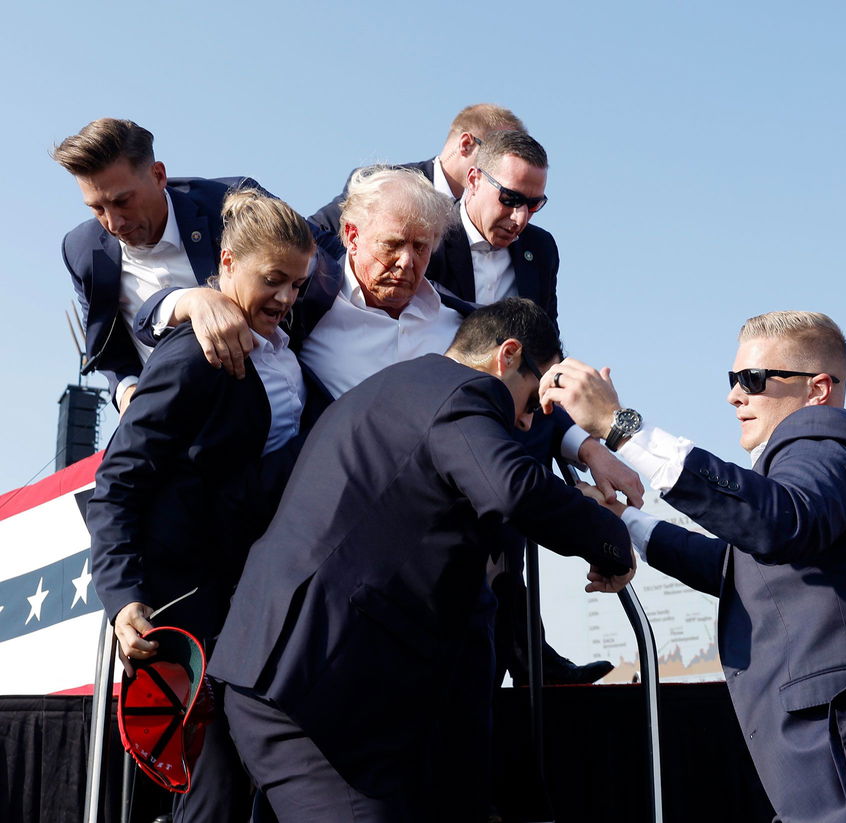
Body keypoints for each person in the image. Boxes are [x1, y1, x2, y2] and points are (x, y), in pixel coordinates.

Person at [147, 164, 630, 684]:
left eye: (422, 248)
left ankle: (526, 653)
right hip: (324, 536)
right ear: (351, 235)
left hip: (434, 540)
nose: (407, 263)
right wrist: (190, 298)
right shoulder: (301, 302)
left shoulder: (461, 325)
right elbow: (196, 309)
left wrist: (586, 446)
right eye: (393, 245)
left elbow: (518, 390)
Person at [541, 312, 846, 822]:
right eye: (732, 380)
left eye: (752, 380)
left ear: (818, 388)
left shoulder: (826, 436)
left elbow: (781, 523)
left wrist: (623, 429)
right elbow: (742, 568)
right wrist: (629, 524)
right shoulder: (804, 473)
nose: (735, 396)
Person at [208, 298, 635, 822]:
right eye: (535, 397)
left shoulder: (400, 390)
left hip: (303, 676)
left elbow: (467, 497)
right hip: (316, 686)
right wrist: (610, 541)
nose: (528, 424)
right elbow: (513, 490)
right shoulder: (463, 395)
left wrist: (573, 501)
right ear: (508, 356)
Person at [87, 189, 321, 823]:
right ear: (225, 262)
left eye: (297, 285)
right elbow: (118, 481)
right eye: (273, 280)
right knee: (213, 789)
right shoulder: (195, 354)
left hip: (249, 598)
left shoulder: (283, 349)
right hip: (189, 604)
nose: (286, 299)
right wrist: (123, 595)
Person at [53, 117, 338, 411]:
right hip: (174, 423)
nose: (114, 223)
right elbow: (108, 349)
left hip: (272, 403)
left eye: (123, 201)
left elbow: (315, 247)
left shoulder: (230, 203)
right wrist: (128, 392)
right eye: (97, 208)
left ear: (158, 175)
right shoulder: (82, 250)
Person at [309, 102, 525, 233]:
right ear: (466, 144)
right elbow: (315, 236)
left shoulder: (500, 225)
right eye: (496, 154)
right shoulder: (382, 183)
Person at [423, 130, 558, 324]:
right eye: (510, 199)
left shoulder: (541, 249)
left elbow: (547, 337)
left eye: (533, 205)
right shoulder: (429, 233)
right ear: (474, 180)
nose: (520, 218)